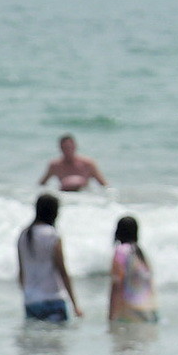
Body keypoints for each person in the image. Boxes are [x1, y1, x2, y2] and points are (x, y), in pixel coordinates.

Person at [17, 193, 82, 322]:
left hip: (31, 300)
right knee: (56, 340)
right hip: (52, 298)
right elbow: (62, 271)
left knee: (34, 340)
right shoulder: (52, 235)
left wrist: (27, 294)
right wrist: (75, 304)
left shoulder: (24, 235)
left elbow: (21, 271)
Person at [109, 215, 158, 323]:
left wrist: (111, 315)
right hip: (150, 310)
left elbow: (117, 283)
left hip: (130, 311)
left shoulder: (121, 251)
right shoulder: (140, 253)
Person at [39, 133, 106, 191]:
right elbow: (41, 185)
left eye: (69, 147)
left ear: (75, 146)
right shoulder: (55, 165)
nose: (67, 150)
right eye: (64, 148)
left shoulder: (88, 164)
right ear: (60, 148)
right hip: (65, 195)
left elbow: (104, 185)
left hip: (84, 197)